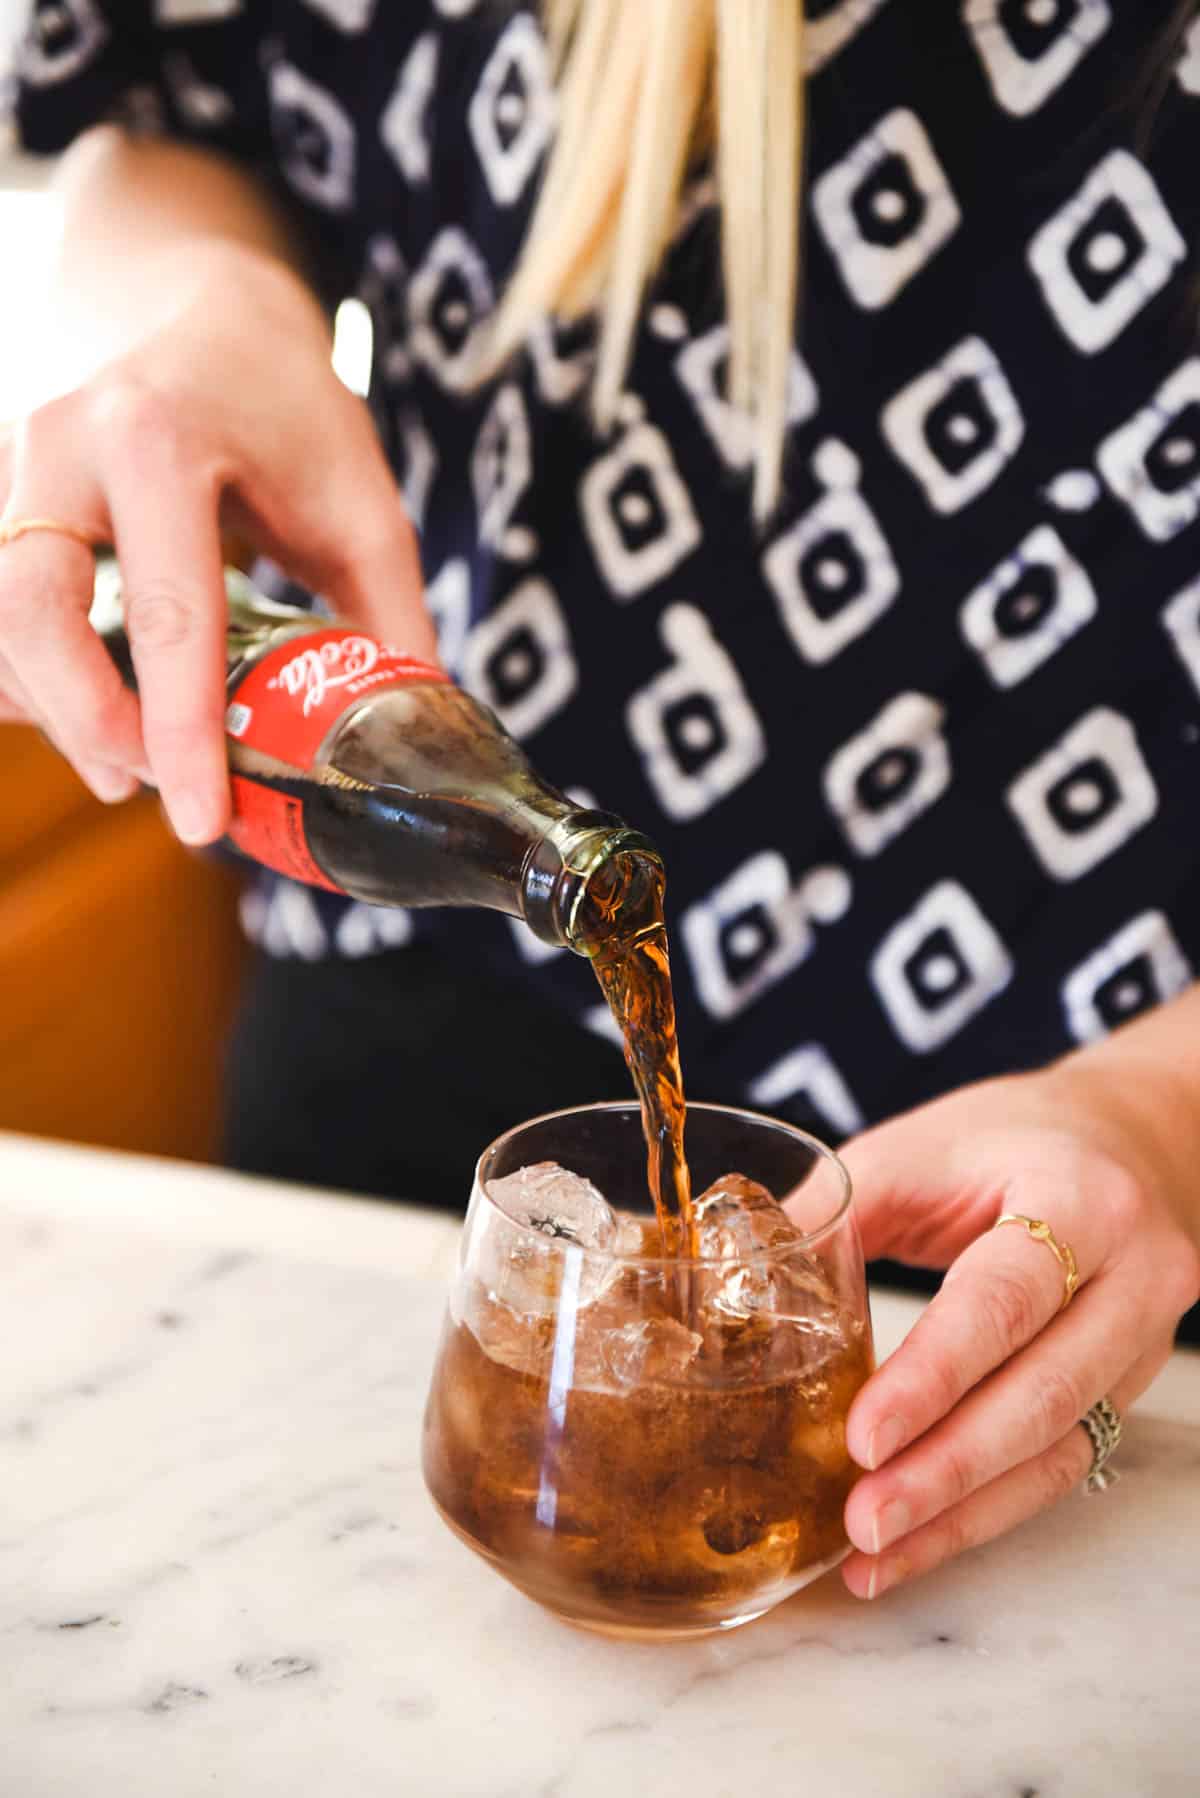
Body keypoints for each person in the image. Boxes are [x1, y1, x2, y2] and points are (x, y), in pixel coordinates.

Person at [3, 0, 1199, 1603]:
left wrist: (1154, 1117)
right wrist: (202, 305)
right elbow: (169, 109)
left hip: (1047, 1234)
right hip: (412, 1019)